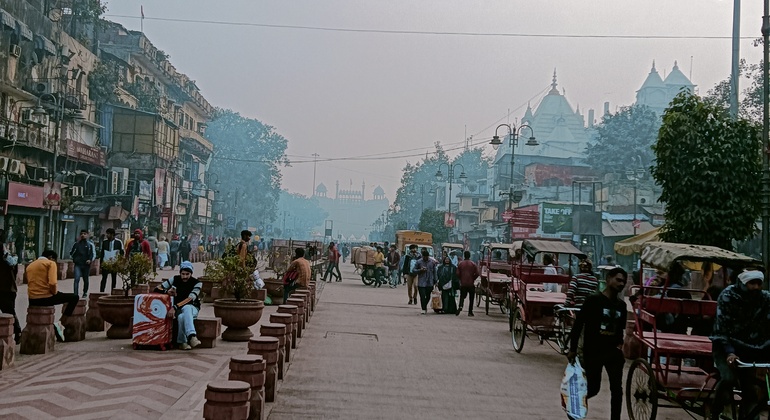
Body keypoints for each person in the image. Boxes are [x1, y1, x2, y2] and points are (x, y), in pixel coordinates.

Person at [567, 267, 628, 420]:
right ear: (608, 279)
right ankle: (575, 405)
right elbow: (578, 325)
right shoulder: (593, 300)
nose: (621, 284)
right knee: (594, 388)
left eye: (623, 282)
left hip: (612, 352)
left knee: (617, 390)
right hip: (593, 351)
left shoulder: (621, 306)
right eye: (618, 280)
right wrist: (572, 349)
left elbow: (621, 329)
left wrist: (619, 346)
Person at [709, 269, 770, 420]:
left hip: (751, 348)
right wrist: (729, 352)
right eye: (752, 283)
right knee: (729, 379)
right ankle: (714, 412)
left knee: (750, 388)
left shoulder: (765, 299)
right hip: (725, 347)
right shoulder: (728, 296)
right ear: (742, 284)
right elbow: (721, 329)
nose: (756, 287)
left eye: (758, 284)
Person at [27, 250, 79, 341]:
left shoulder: (30, 265)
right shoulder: (50, 263)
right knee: (74, 297)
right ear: (51, 257)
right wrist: (55, 293)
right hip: (46, 297)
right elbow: (52, 283)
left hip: (32, 299)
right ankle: (61, 323)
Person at [153, 261, 202, 350]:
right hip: (179, 310)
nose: (185, 276)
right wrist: (167, 292)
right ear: (180, 273)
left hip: (192, 308)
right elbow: (157, 288)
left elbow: (190, 299)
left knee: (186, 308)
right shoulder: (175, 279)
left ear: (191, 273)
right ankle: (182, 342)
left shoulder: (197, 283)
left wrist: (175, 307)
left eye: (187, 274)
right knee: (181, 317)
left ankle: (191, 336)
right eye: (183, 274)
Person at [0, 229, 20, 342]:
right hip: (9, 288)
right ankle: (18, 333)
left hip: (6, 289)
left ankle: (18, 332)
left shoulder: (6, 254)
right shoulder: (10, 253)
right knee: (9, 312)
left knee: (9, 312)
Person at [70, 229, 95, 298]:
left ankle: (85, 292)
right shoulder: (76, 244)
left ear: (87, 235)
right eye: (81, 234)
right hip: (78, 264)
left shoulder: (90, 245)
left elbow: (92, 254)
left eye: (84, 234)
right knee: (76, 279)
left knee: (85, 279)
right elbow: (71, 253)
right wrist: (75, 259)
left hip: (86, 265)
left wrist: (89, 260)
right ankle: (75, 294)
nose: (83, 235)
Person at [413, 249, 438, 315]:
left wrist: (436, 280)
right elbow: (413, 270)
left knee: (428, 296)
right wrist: (420, 270)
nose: (426, 258)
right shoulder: (419, 262)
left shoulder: (432, 262)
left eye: (427, 257)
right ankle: (423, 308)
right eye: (424, 257)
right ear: (422, 256)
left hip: (430, 282)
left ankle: (424, 305)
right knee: (422, 296)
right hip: (421, 282)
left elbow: (435, 272)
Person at [99, 228, 124, 292]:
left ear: (112, 235)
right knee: (104, 278)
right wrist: (101, 263)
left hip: (114, 263)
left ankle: (113, 291)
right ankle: (101, 291)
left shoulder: (118, 242)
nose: (107, 235)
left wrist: (120, 263)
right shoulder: (104, 242)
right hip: (106, 262)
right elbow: (102, 253)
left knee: (114, 278)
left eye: (108, 234)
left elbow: (121, 253)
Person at [457, 250, 479, 317]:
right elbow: (477, 273)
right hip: (471, 283)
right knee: (471, 298)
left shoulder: (460, 264)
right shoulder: (473, 264)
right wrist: (473, 278)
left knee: (462, 296)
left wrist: (461, 279)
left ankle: (460, 306)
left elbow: (457, 273)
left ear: (464, 256)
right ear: (470, 256)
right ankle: (470, 311)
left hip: (463, 283)